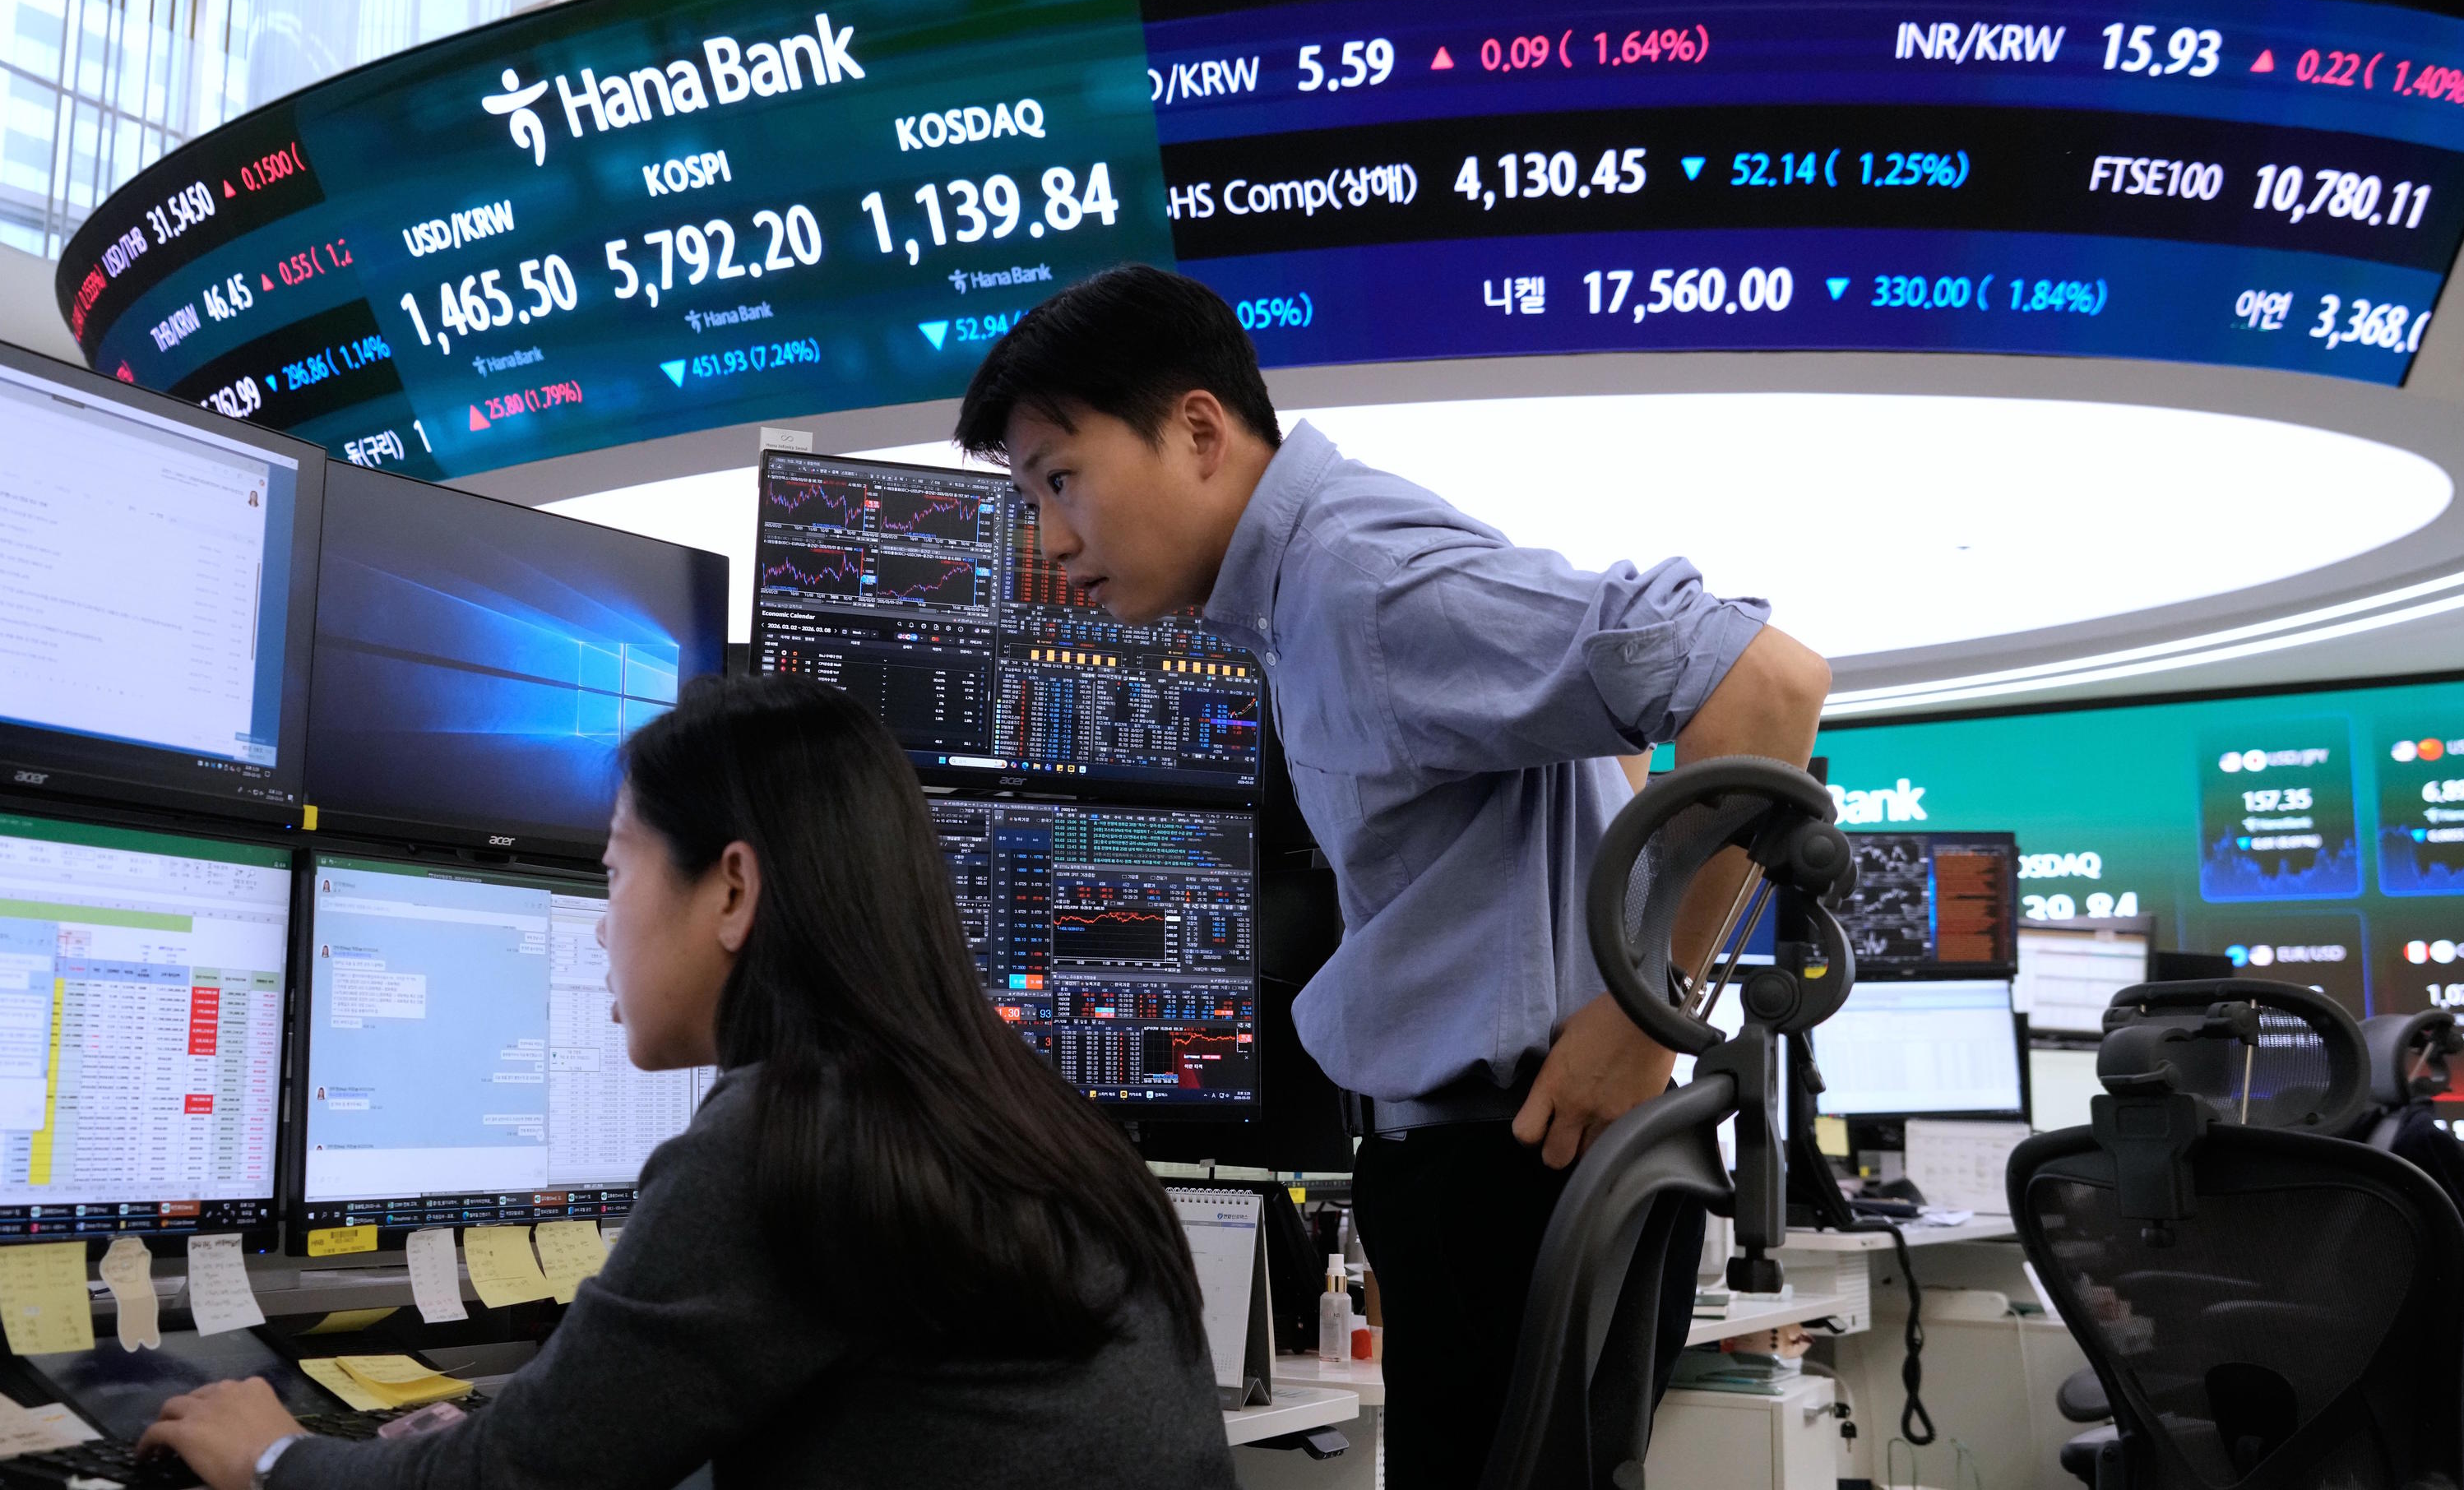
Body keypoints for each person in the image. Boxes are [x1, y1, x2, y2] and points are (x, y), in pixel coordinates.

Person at [953, 264, 1832, 1488]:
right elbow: (1614, 730)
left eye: (1060, 479)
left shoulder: (1359, 583)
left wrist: (1642, 1010)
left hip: (1512, 1172)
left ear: (1199, 431)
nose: (1049, 542)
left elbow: (1765, 681)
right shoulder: (1312, 590)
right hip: (1490, 1170)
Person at [140, 675, 1239, 1490]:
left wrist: (273, 1456)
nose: (601, 927)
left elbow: (514, 1489)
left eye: (616, 870)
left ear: (732, 889)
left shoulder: (786, 1140)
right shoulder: (1019, 1117)